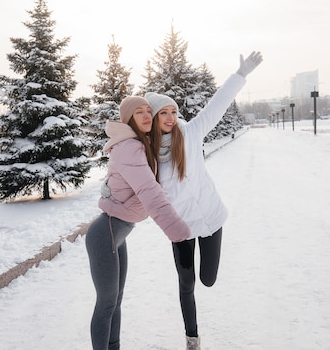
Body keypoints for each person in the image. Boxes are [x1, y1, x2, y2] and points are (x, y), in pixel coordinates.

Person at [145, 51, 263, 350]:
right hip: (180, 229)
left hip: (211, 219)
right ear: (154, 119)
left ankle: (197, 315)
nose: (171, 118)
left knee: (207, 279)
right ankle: (192, 338)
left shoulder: (192, 133)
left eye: (173, 111)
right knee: (187, 284)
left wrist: (241, 75)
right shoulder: (146, 154)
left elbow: (217, 105)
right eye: (164, 114)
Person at [86, 96, 191, 350]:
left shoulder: (139, 144)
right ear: (128, 120)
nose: (146, 116)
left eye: (148, 111)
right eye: (138, 113)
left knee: (116, 302)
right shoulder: (130, 148)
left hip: (117, 234)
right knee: (107, 303)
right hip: (106, 233)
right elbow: (150, 192)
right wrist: (180, 233)